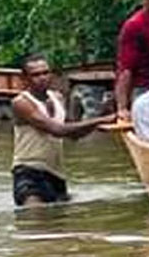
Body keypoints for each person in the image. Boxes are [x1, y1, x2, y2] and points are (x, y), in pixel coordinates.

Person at [11, 54, 115, 206]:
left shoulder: (58, 97)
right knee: (32, 223)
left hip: (56, 174)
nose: (42, 78)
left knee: (59, 224)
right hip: (28, 172)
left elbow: (73, 135)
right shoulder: (21, 103)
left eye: (45, 72)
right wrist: (100, 120)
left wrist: (102, 114)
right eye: (36, 75)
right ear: (25, 79)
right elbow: (57, 130)